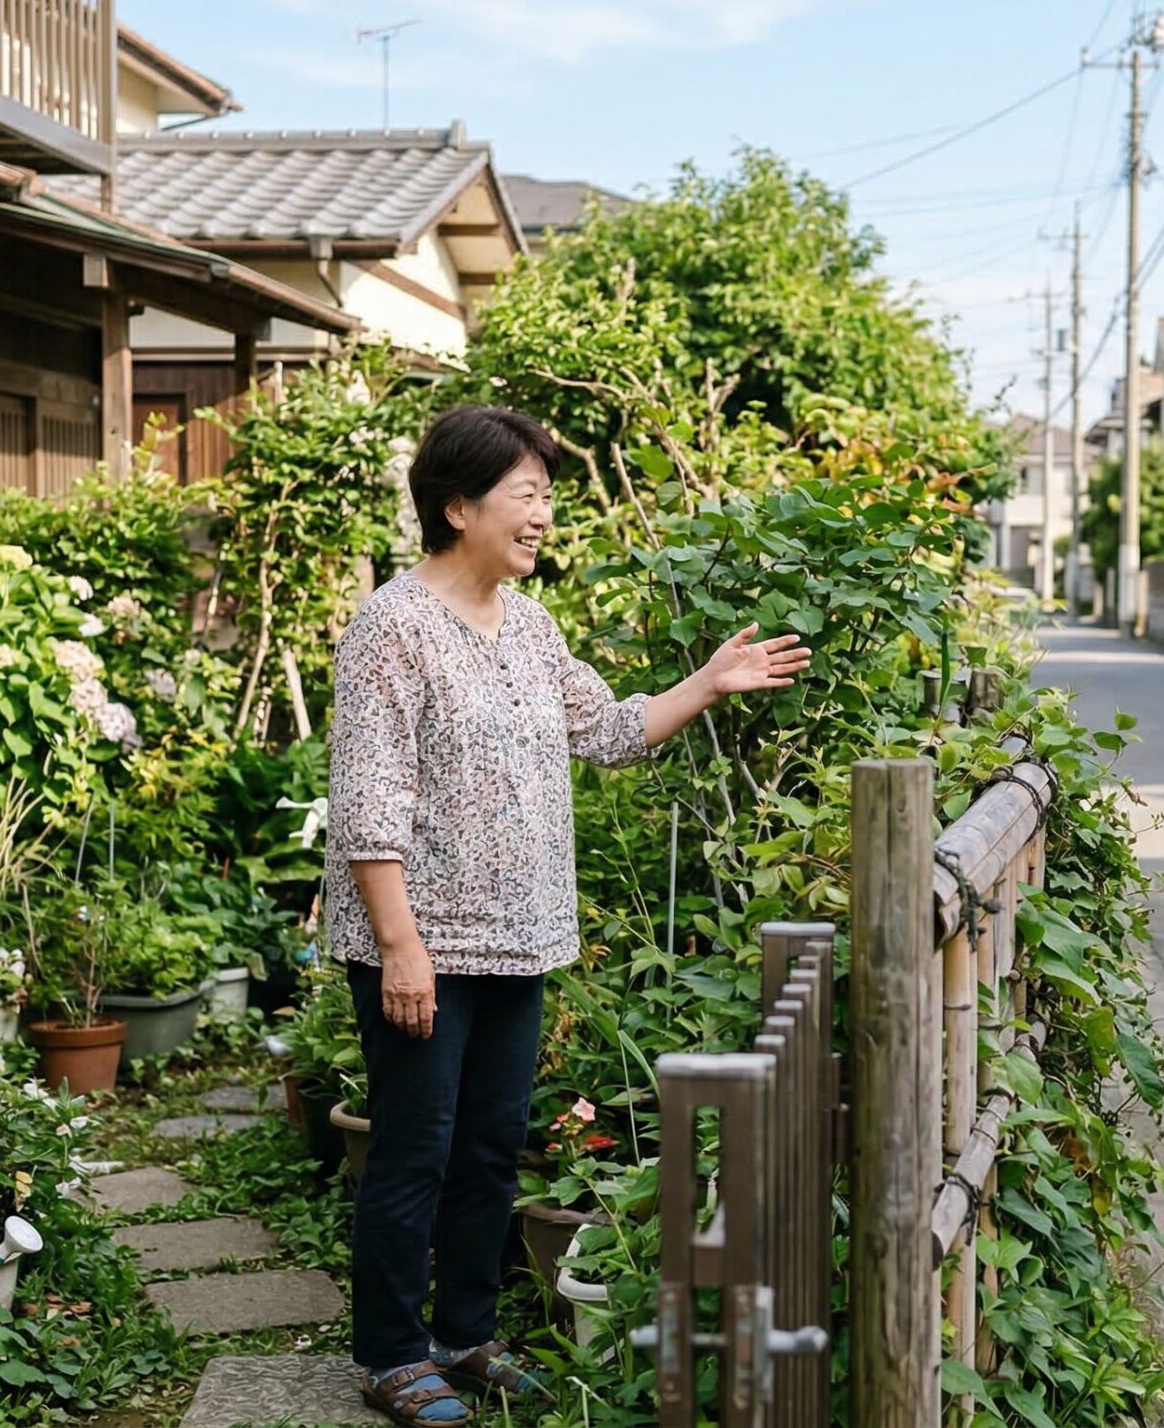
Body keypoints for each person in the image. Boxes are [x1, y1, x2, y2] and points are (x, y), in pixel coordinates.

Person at [326, 404, 811, 1425]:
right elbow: (371, 802)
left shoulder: (532, 625)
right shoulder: (392, 627)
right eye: (528, 494)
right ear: (458, 505)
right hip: (421, 942)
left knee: (492, 1146)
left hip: (520, 939)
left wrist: (710, 683)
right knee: (415, 1146)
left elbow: (613, 730)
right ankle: (387, 1353)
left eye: (549, 494)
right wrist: (401, 946)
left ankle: (463, 1334)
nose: (545, 514)